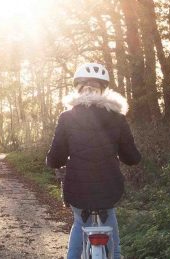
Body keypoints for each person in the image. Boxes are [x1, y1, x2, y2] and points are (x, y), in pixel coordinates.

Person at [46, 63, 141, 259]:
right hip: (109, 187)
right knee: (111, 225)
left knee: (80, 223)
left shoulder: (67, 117)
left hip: (77, 188)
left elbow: (56, 156)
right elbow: (131, 157)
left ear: (78, 90)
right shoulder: (117, 118)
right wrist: (128, 156)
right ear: (104, 90)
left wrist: (53, 162)